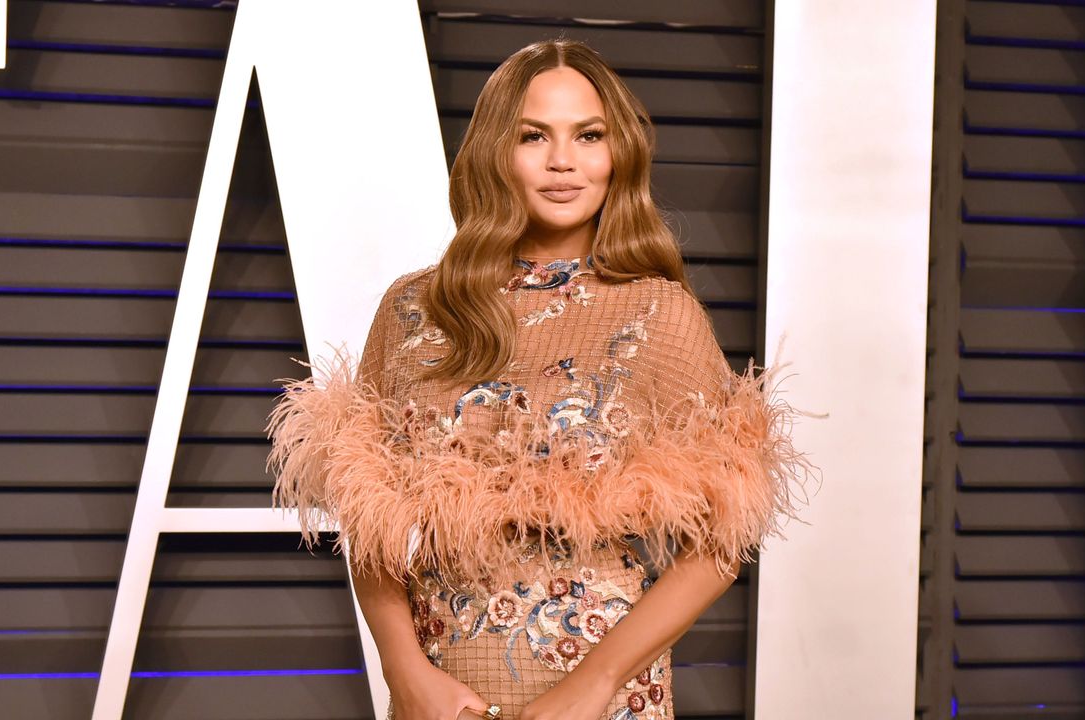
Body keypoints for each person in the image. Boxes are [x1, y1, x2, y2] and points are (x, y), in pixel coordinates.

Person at [266, 39, 817, 720]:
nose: (564, 161)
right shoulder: (413, 309)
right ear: (497, 150)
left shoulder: (656, 312)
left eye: (589, 136)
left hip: (598, 698)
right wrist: (404, 673)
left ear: (618, 155)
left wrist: (596, 683)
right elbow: (369, 521)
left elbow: (724, 541)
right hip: (444, 697)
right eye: (534, 136)